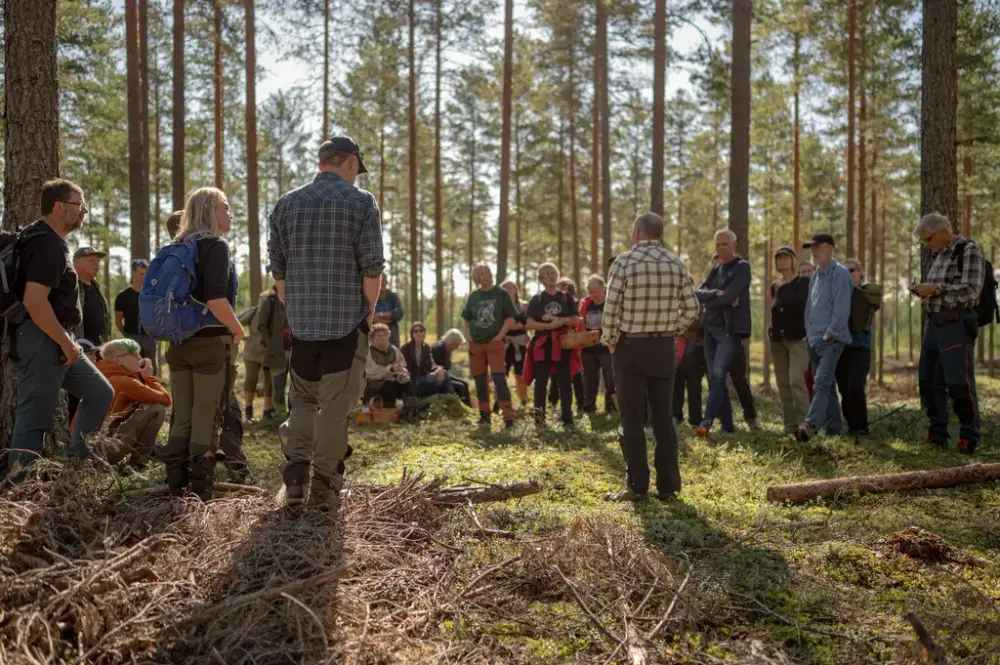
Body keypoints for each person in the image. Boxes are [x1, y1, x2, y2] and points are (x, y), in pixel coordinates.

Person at [268, 135, 383, 507]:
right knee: (335, 406)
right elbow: (372, 266)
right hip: (346, 324)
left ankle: (297, 478)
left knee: (301, 401)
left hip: (302, 326)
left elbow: (278, 271)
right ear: (350, 161)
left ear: (322, 164)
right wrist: (368, 311)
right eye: (356, 168)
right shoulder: (361, 202)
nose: (356, 175)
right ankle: (325, 487)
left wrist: (294, 309)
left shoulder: (287, 204)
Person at [7, 180, 114, 479]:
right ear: (58, 207)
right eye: (78, 205)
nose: (83, 212)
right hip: (41, 339)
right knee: (33, 420)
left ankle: (74, 473)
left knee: (99, 392)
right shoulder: (47, 243)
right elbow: (34, 301)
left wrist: (66, 343)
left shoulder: (44, 239)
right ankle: (18, 491)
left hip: (54, 339)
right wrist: (66, 343)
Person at [602, 212, 700, 502]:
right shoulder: (676, 263)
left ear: (636, 232)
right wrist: (673, 329)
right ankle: (667, 486)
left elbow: (610, 309)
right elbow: (693, 309)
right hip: (663, 349)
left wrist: (609, 341)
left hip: (630, 347)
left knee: (632, 419)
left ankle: (637, 486)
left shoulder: (623, 262)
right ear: (660, 233)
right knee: (663, 419)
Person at [160, 187, 244, 500]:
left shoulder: (177, 245)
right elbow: (216, 298)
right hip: (212, 344)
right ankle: (200, 491)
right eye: (226, 206)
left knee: (182, 414)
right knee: (207, 417)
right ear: (210, 210)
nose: (230, 213)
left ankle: (174, 485)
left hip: (179, 344)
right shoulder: (215, 246)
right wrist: (237, 329)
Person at [913, 212, 984, 454]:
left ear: (944, 231)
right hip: (934, 324)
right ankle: (937, 430)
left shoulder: (968, 250)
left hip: (956, 323)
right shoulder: (938, 255)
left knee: (959, 381)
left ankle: (968, 434)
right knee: (929, 380)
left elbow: (973, 291)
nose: (926, 245)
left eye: (928, 239)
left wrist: (936, 289)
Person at [695, 229, 757, 436]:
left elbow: (729, 295)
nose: (721, 248)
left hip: (729, 330)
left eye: (724, 244)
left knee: (721, 375)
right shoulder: (716, 269)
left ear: (734, 244)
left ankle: (707, 421)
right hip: (710, 329)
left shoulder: (742, 267)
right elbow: (697, 293)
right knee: (718, 376)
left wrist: (718, 298)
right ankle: (728, 426)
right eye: (718, 244)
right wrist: (716, 294)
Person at [795, 233, 853, 442]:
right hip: (813, 339)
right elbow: (810, 307)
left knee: (820, 382)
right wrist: (808, 332)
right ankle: (835, 428)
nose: (814, 251)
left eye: (818, 247)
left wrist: (831, 332)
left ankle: (811, 425)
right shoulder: (816, 276)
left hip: (831, 340)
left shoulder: (840, 274)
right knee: (826, 385)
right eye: (811, 248)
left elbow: (842, 306)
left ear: (829, 248)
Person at [96, 338, 171, 470]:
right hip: (103, 452)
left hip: (93, 450)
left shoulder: (101, 374)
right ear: (118, 360)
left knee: (149, 407)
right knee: (156, 409)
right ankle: (138, 465)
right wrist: (149, 377)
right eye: (134, 354)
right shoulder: (123, 381)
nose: (139, 358)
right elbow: (165, 399)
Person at [461, 264, 516, 428]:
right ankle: (484, 415)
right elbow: (467, 318)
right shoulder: (473, 296)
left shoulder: (501, 294)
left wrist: (499, 336)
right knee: (479, 380)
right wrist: (468, 336)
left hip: (494, 344)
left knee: (499, 379)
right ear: (476, 278)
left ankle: (508, 417)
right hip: (476, 345)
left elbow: (509, 318)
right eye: (480, 274)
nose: (484, 276)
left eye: (486, 273)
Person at [526, 263, 579, 427]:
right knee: (541, 382)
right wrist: (548, 326)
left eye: (553, 272)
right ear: (541, 278)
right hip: (542, 344)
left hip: (562, 344)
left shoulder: (566, 298)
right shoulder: (537, 299)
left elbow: (576, 320)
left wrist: (560, 321)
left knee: (564, 381)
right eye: (547, 273)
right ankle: (539, 421)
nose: (551, 275)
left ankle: (567, 420)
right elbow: (529, 323)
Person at [769, 246, 811, 435]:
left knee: (796, 380)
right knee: (783, 384)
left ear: (794, 260)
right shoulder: (774, 286)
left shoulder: (804, 283)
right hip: (778, 340)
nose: (782, 261)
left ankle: (806, 425)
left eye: (786, 257)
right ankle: (790, 425)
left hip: (798, 339)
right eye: (779, 258)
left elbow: (811, 309)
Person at [835, 259, 874, 437]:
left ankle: (861, 426)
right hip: (840, 348)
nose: (849, 274)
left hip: (860, 347)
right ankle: (851, 426)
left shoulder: (868, 293)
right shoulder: (836, 295)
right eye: (845, 271)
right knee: (843, 388)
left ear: (860, 273)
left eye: (852, 271)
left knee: (856, 385)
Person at [242, 286, 287, 421]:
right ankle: (248, 410)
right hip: (252, 353)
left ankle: (267, 411)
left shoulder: (278, 311)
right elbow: (237, 321)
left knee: (269, 383)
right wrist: (243, 337)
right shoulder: (254, 312)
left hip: (269, 354)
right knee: (251, 379)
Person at [579, 275, 617, 414]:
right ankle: (589, 407)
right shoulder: (586, 303)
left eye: (595, 291)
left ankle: (610, 407)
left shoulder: (611, 303)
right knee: (589, 379)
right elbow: (580, 322)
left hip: (607, 347)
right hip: (589, 348)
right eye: (590, 291)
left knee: (610, 379)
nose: (593, 295)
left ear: (603, 288)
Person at [549, 278, 586, 413]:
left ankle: (580, 404)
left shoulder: (575, 304)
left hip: (573, 344)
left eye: (566, 288)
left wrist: (579, 345)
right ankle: (553, 402)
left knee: (576, 375)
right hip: (556, 343)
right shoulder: (554, 305)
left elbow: (579, 323)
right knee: (554, 374)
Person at [115, 258, 157, 373]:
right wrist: (128, 335)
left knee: (151, 370)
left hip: (150, 338)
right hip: (131, 338)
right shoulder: (123, 296)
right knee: (132, 370)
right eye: (141, 274)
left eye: (146, 274)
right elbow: (118, 321)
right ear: (134, 274)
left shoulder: (152, 296)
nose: (145, 277)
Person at [672, 297, 706, 428]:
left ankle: (695, 419)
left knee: (694, 388)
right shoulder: (674, 306)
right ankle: (676, 416)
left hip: (695, 354)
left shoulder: (699, 307)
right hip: (678, 354)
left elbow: (699, 328)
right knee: (676, 387)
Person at [364, 323, 413, 407]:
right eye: (379, 336)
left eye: (385, 335)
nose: (383, 337)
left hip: (392, 380)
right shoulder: (368, 353)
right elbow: (371, 374)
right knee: (389, 385)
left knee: (407, 383)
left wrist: (402, 375)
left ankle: (410, 411)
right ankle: (389, 411)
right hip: (373, 384)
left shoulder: (394, 350)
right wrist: (390, 370)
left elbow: (401, 366)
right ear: (373, 338)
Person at [401, 321, 453, 397]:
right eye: (416, 331)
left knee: (443, 373)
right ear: (412, 334)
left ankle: (442, 398)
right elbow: (400, 363)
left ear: (424, 333)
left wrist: (439, 369)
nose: (419, 333)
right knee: (445, 374)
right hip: (411, 381)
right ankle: (452, 396)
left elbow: (432, 364)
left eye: (421, 331)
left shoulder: (426, 348)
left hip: (423, 378)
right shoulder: (406, 348)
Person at [73, 246, 110, 346]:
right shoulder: (68, 286)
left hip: (98, 347)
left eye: (98, 261)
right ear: (76, 262)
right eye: (91, 261)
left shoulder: (97, 287)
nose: (96, 264)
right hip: (78, 347)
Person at [500, 280, 530, 405]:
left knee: (520, 373)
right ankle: (500, 401)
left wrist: (519, 326)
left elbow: (530, 322)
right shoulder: (499, 307)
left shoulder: (524, 306)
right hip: (504, 344)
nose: (508, 290)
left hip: (521, 344)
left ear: (516, 290)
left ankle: (523, 399)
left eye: (510, 288)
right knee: (501, 374)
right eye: (505, 288)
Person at [431, 329, 471, 405]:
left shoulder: (448, 350)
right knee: (460, 386)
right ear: (451, 341)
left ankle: (468, 407)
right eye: (457, 344)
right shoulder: (437, 349)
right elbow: (433, 367)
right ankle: (458, 407)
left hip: (446, 376)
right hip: (437, 377)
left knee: (465, 384)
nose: (457, 347)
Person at [374, 274, 404, 347]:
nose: (382, 283)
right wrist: (389, 319)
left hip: (392, 338)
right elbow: (371, 317)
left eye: (384, 281)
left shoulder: (393, 296)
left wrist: (380, 315)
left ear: (387, 282)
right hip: (374, 338)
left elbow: (399, 313)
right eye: (381, 281)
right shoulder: (372, 297)